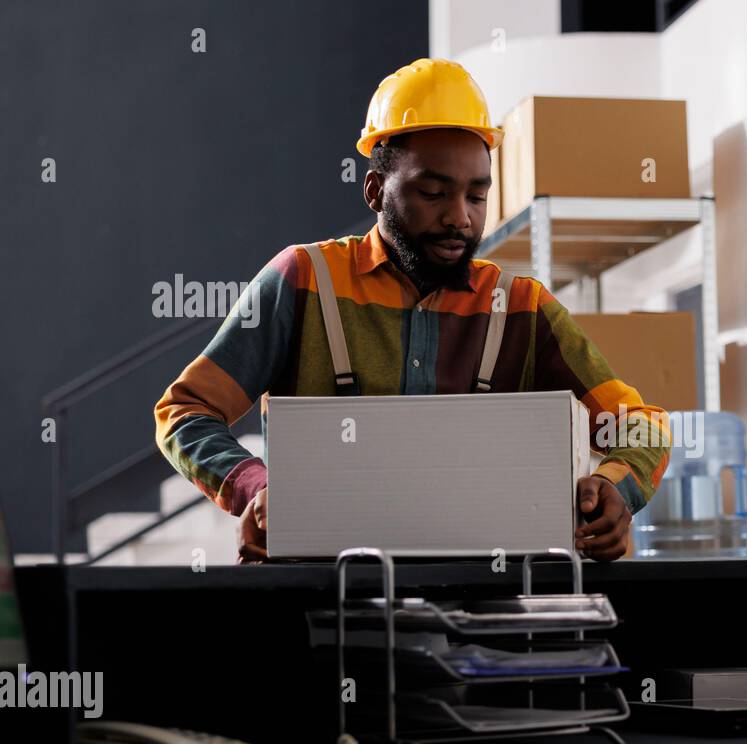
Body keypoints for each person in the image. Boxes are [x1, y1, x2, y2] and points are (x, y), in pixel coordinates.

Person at [154, 59, 669, 563]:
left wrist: (614, 487)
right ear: (376, 190)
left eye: (476, 195)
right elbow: (183, 413)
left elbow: (640, 425)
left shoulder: (521, 307)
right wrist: (258, 489)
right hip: (321, 600)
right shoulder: (303, 281)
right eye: (433, 192)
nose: (459, 218)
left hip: (479, 602)